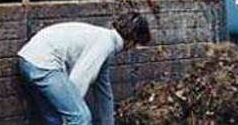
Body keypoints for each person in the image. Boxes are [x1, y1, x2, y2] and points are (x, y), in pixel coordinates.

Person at [17, 11, 151, 125]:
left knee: (56, 118)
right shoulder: (105, 43)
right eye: (136, 45)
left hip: (28, 60)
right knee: (80, 117)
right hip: (44, 64)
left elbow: (104, 91)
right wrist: (76, 107)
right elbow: (78, 79)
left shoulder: (104, 39)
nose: (133, 49)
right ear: (132, 40)